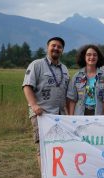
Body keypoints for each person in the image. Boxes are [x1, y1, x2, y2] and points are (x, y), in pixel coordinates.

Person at [22, 36, 69, 167]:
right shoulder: (36, 65)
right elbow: (27, 86)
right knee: (42, 147)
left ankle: (55, 175)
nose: (56, 48)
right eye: (53, 45)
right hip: (41, 114)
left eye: (59, 47)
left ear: (62, 50)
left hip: (59, 115)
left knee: (58, 145)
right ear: (47, 47)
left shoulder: (64, 69)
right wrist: (34, 105)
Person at [67, 44, 104, 115]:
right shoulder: (77, 76)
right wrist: (71, 118)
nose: (92, 57)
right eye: (89, 55)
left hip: (98, 113)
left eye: (95, 55)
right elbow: (72, 99)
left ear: (98, 57)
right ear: (84, 57)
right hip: (80, 113)